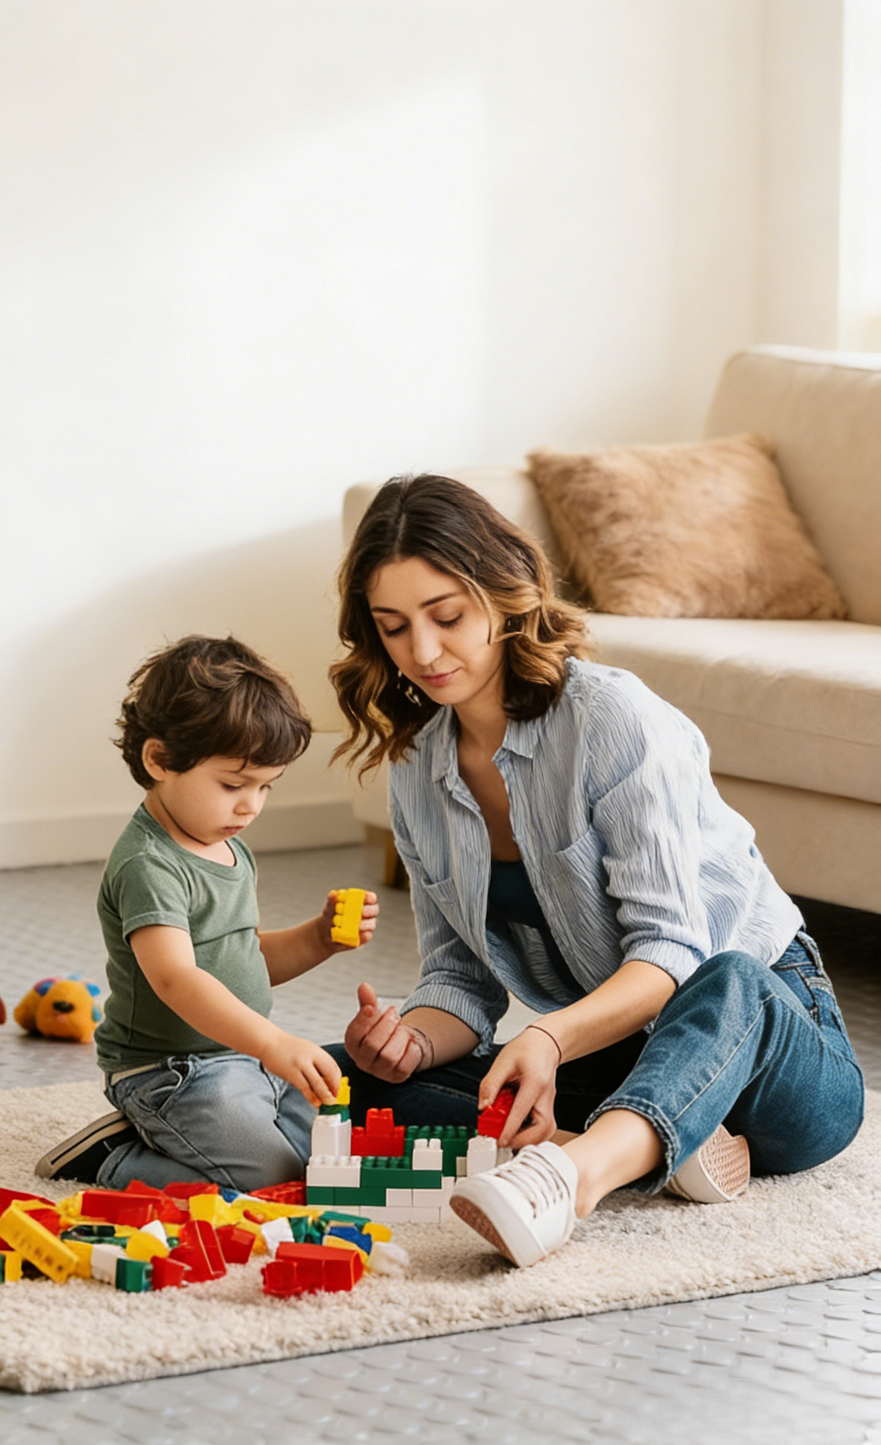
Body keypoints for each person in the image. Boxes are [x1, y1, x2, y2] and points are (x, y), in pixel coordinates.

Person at [326, 474, 864, 1268]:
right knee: (343, 1081)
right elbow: (460, 985)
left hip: (773, 1049)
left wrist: (544, 1035)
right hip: (621, 1056)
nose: (424, 652)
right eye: (394, 627)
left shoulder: (610, 717)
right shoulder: (418, 769)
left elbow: (670, 954)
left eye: (446, 616)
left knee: (727, 976)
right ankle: (653, 1140)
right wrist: (404, 1042)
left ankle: (569, 1177)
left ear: (504, 595)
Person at [34, 634, 378, 1191]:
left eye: (266, 786)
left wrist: (319, 938)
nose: (251, 805)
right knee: (270, 1178)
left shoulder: (227, 844)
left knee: (331, 1155)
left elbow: (241, 957)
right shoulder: (149, 864)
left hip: (243, 1058)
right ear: (160, 760)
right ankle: (112, 1157)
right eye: (233, 784)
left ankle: (198, 1136)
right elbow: (176, 978)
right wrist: (273, 1041)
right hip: (170, 1073)